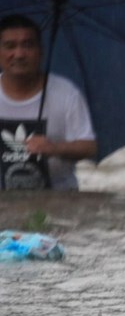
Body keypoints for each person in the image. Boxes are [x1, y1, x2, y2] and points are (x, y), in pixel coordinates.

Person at [0, 14, 96, 190]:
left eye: (28, 45)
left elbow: (88, 146)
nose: (19, 54)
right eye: (10, 46)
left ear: (40, 52)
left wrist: (54, 148)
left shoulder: (66, 93)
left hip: (58, 198)